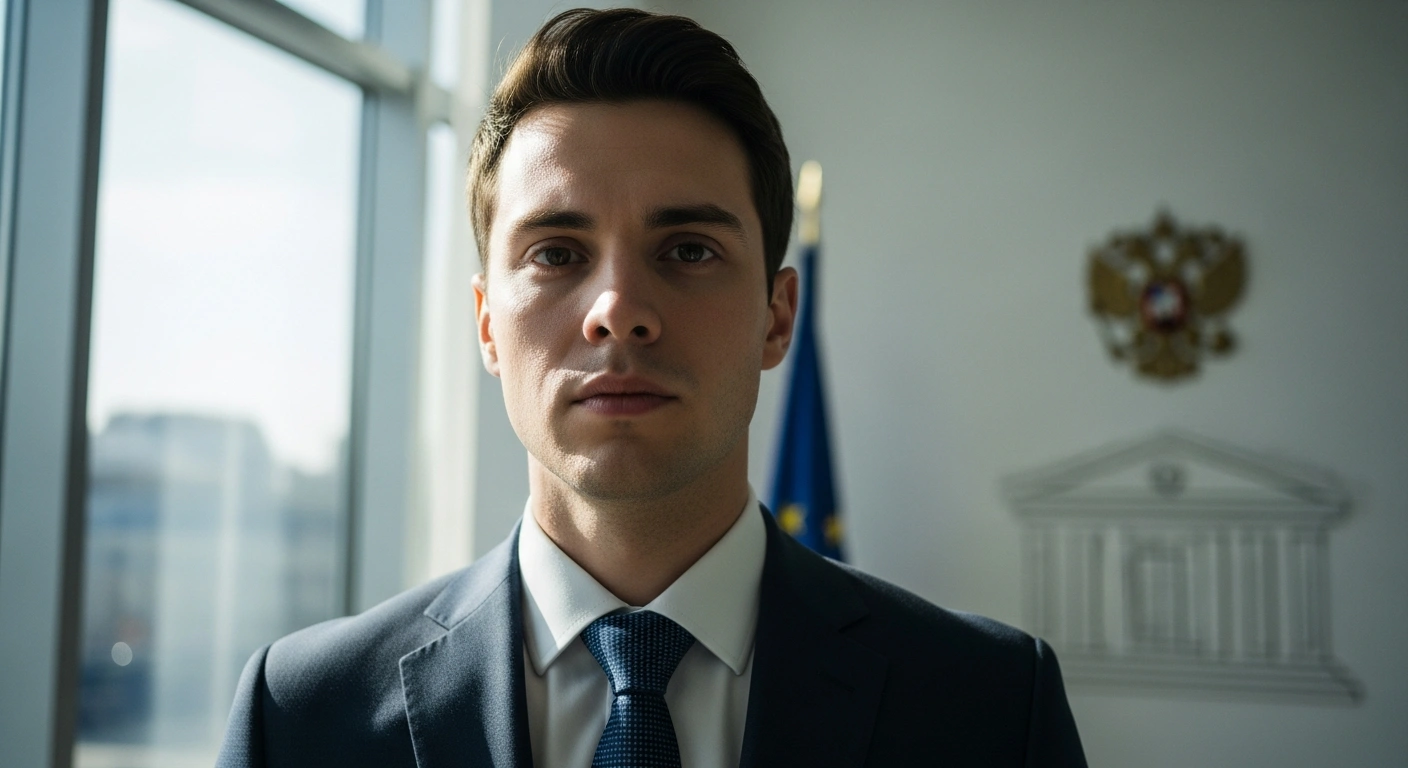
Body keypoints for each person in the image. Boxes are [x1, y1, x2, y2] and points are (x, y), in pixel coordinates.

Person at [217, 8, 1087, 767]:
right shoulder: (298, 717)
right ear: (486, 324)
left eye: (688, 251)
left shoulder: (994, 710)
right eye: (556, 253)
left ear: (777, 317)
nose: (618, 312)